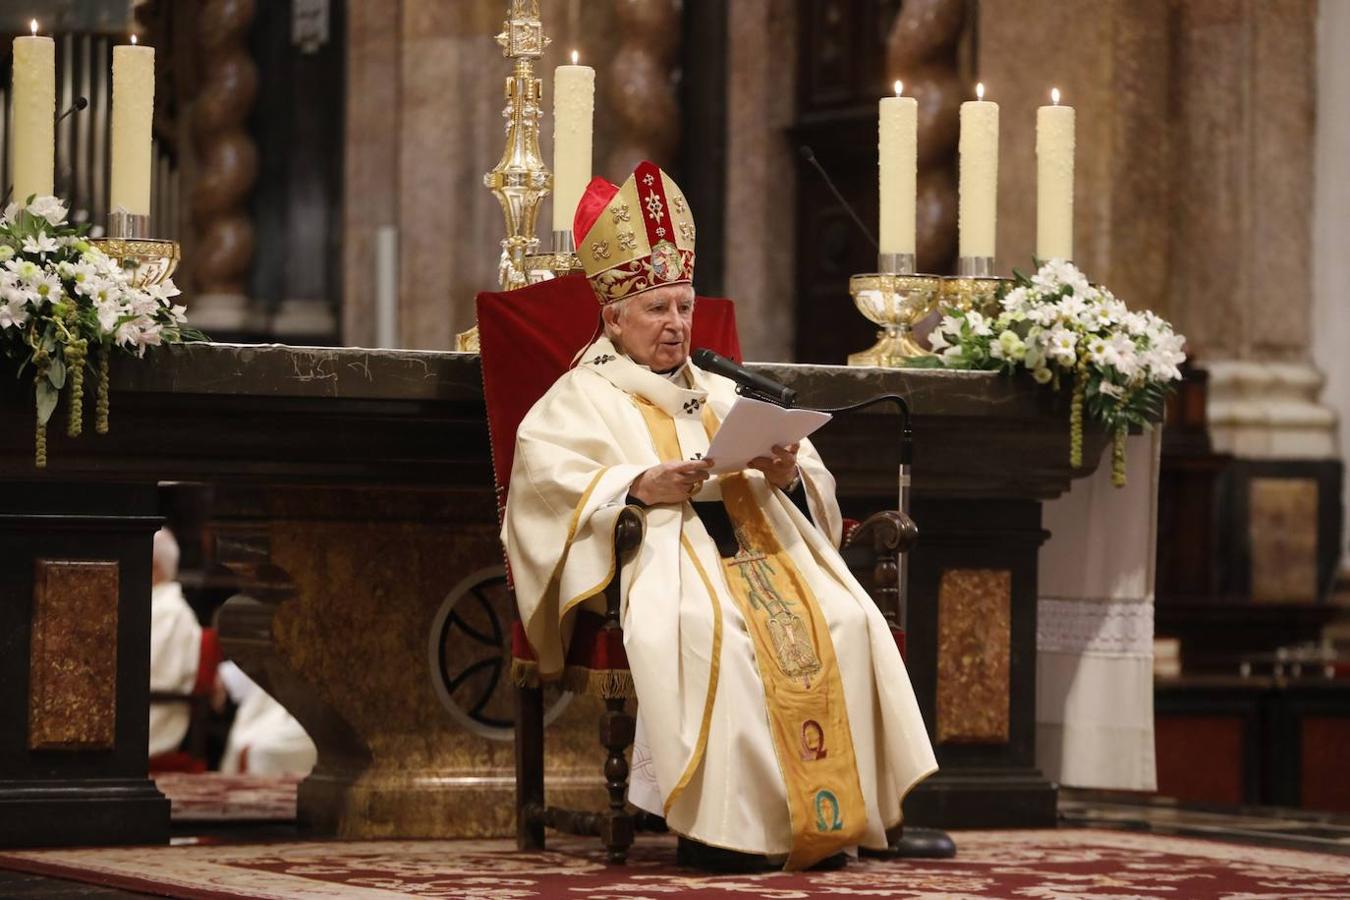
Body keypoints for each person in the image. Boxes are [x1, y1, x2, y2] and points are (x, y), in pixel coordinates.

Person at [502, 161, 936, 871]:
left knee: (849, 619)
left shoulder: (719, 387)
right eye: (657, 309)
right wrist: (639, 485)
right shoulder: (581, 395)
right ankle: (723, 831)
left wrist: (786, 471)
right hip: (668, 563)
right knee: (713, 631)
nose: (676, 326)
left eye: (684, 306)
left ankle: (839, 816)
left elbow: (807, 486)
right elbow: (544, 487)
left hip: (764, 552)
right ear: (614, 316)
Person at [148, 528, 219, 763]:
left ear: (154, 567)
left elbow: (149, 673)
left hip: (151, 716)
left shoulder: (170, 612)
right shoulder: (153, 605)